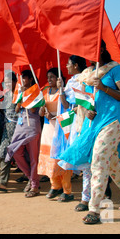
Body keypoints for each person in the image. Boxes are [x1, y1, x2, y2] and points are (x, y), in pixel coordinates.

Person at [59, 41, 120, 225]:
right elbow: (87, 99)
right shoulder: (87, 74)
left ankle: (94, 209)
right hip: (93, 123)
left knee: (98, 159)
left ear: (101, 49)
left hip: (112, 121)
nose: (87, 54)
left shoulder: (115, 69)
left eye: (91, 49)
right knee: (111, 163)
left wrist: (104, 87)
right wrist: (86, 109)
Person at [38, 67, 74, 202]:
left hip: (61, 129)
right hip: (47, 129)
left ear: (60, 79)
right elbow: (40, 112)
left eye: (52, 77)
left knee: (61, 159)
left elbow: (68, 108)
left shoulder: (65, 92)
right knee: (49, 158)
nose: (49, 79)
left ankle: (67, 190)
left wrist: (61, 90)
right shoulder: (45, 92)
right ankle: (55, 186)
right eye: (48, 77)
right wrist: (42, 111)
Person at [5, 70, 42, 197]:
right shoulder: (19, 91)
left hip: (32, 126)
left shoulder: (36, 91)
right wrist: (20, 97)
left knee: (33, 158)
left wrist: (26, 95)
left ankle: (34, 186)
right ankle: (31, 178)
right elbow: (16, 108)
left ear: (30, 79)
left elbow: (32, 108)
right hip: (20, 126)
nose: (22, 81)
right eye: (21, 78)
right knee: (15, 151)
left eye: (24, 78)